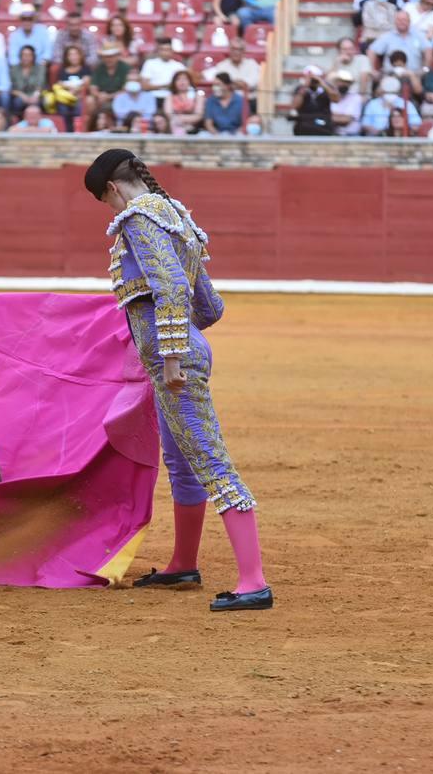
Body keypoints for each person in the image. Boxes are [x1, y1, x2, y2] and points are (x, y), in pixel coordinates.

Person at [83, 149, 272, 612]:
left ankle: (253, 582)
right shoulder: (177, 218)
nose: (109, 210)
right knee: (182, 463)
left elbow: (168, 287)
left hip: (175, 364)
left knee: (210, 461)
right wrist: (182, 337)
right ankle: (183, 563)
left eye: (104, 201)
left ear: (110, 188)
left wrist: (170, 355)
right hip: (183, 350)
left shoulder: (137, 218)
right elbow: (209, 305)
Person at [365, 10, 431, 72]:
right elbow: (372, 50)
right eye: (399, 20)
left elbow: (428, 49)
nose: (402, 22)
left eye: (404, 20)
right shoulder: (387, 36)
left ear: (409, 21)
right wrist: (372, 70)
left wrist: (425, 69)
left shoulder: (418, 35)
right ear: (395, 22)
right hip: (391, 74)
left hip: (414, 74)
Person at [206, 39, 261, 110]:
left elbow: (252, 84)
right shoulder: (222, 66)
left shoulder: (252, 64)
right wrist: (240, 84)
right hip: (229, 103)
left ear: (244, 51)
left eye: (239, 49)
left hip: (250, 101)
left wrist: (232, 83)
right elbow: (221, 86)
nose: (236, 52)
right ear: (229, 50)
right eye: (233, 49)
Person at [52, 44, 91, 132]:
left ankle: (79, 131)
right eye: (70, 54)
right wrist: (71, 89)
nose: (73, 57)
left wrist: (74, 89)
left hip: (80, 97)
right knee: (62, 107)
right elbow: (59, 84)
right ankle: (65, 132)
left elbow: (86, 83)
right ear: (66, 57)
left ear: (80, 56)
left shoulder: (85, 69)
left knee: (79, 106)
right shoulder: (62, 70)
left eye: (76, 54)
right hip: (66, 97)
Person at [291, 65, 337, 136]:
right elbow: (295, 106)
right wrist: (305, 86)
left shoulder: (326, 88)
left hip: (322, 122)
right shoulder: (301, 89)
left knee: (321, 124)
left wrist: (321, 83)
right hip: (304, 123)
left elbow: (336, 99)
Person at [138, 37, 186, 102]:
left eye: (168, 50)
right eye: (162, 50)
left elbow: (183, 86)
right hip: (152, 97)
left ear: (172, 51)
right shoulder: (149, 63)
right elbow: (144, 86)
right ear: (158, 51)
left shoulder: (179, 66)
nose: (165, 52)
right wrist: (166, 86)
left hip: (172, 98)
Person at [90, 42, 130, 110]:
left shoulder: (125, 68)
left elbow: (125, 90)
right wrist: (99, 95)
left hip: (119, 96)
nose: (108, 59)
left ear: (117, 56)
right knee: (90, 100)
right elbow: (93, 88)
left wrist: (109, 97)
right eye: (106, 57)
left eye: (111, 56)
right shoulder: (98, 68)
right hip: (101, 96)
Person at [161, 70, 203, 135]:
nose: (182, 82)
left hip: (194, 127)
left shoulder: (197, 96)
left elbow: (198, 115)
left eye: (185, 79)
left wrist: (181, 118)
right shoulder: (170, 96)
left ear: (190, 82)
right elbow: (169, 114)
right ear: (174, 83)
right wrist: (181, 121)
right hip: (175, 125)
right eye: (178, 79)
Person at [9, 44, 46, 115]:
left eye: (29, 55)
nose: (26, 57)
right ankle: (18, 123)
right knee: (17, 102)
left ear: (33, 57)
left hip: (35, 95)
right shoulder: (14, 69)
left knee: (38, 103)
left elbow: (41, 85)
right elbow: (11, 89)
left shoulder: (40, 68)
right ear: (20, 56)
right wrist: (22, 95)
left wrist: (35, 96)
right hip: (20, 95)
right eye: (24, 55)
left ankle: (35, 124)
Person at [329, 70, 363, 136]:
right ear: (336, 82)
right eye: (341, 81)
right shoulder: (329, 96)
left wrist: (331, 117)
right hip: (332, 133)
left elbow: (346, 120)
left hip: (351, 135)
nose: (344, 84)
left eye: (347, 82)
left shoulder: (355, 97)